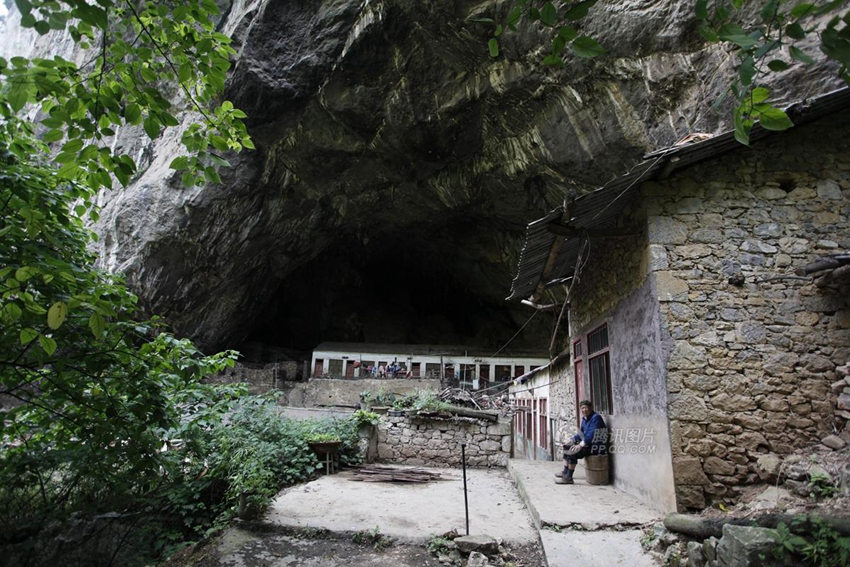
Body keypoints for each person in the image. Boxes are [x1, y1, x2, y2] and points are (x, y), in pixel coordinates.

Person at [555, 400, 607, 485]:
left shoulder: (596, 418)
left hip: (596, 446)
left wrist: (580, 445)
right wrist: (571, 440)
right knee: (567, 447)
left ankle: (569, 477)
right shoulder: (584, 419)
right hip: (588, 444)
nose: (584, 410)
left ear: (590, 408)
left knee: (573, 451)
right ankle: (565, 472)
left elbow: (592, 435)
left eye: (586, 407)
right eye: (582, 408)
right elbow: (581, 434)